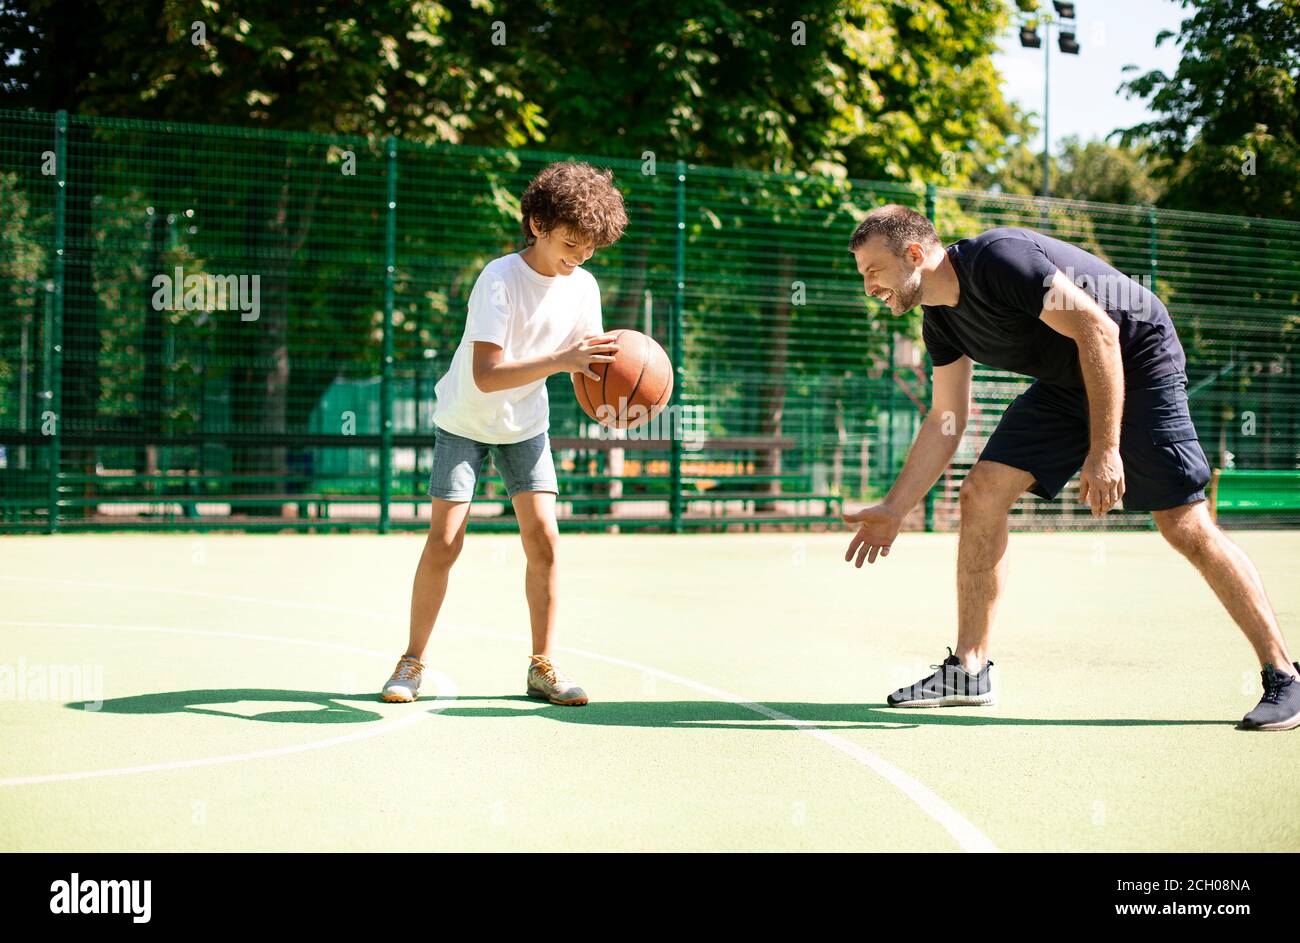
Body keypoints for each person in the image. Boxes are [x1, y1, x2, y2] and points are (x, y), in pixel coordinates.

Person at [841, 204, 1299, 730]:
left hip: (1136, 355)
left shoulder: (1000, 261)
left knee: (1184, 525)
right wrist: (896, 508)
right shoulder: (940, 320)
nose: (869, 287)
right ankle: (970, 670)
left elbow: (1099, 331)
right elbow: (948, 416)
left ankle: (1284, 674)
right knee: (982, 492)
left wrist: (1105, 449)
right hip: (1067, 381)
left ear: (915, 255)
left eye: (874, 272)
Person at [380, 161, 627, 706]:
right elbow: (487, 376)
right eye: (570, 243)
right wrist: (564, 359)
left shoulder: (583, 285)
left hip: (525, 425)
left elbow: (590, 368)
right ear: (537, 223)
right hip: (466, 419)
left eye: (589, 249)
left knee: (545, 539)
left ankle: (543, 665)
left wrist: (621, 399)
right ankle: (411, 661)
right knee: (445, 541)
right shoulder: (498, 278)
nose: (580, 257)